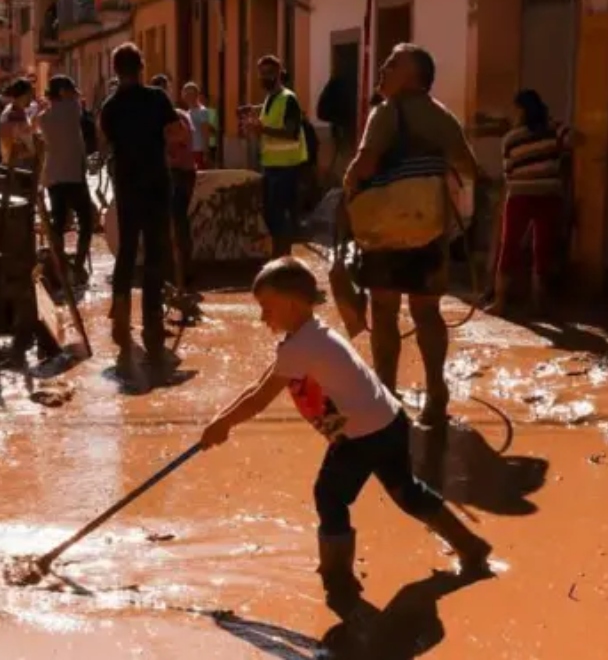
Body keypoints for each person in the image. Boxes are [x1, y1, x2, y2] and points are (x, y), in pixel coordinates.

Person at [200, 257, 492, 604]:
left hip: (361, 435)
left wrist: (223, 424)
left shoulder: (301, 347)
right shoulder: (310, 334)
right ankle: (470, 546)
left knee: (330, 495)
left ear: (292, 304)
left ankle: (338, 578)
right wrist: (221, 421)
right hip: (388, 419)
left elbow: (260, 400)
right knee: (406, 491)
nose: (263, 318)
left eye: (267, 307)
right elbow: (258, 386)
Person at [344, 44, 480, 428]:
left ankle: (385, 395)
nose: (383, 69)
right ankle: (436, 396)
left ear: (414, 75)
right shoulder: (442, 116)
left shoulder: (386, 112)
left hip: (385, 231)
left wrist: (348, 187)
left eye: (392, 64)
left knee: (384, 311)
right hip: (430, 228)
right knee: (427, 311)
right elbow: (468, 169)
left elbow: (366, 164)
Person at [101, 44, 181, 359]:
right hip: (156, 184)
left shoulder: (110, 105)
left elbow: (106, 141)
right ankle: (152, 322)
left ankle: (121, 318)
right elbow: (175, 134)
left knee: (127, 250)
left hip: (126, 184)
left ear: (115, 70)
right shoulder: (157, 98)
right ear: (141, 67)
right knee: (155, 252)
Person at [489, 89, 565, 315]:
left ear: (521, 110)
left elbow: (508, 172)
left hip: (520, 195)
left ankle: (500, 302)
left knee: (509, 246)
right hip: (549, 194)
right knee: (543, 248)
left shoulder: (510, 139)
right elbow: (575, 140)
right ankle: (540, 303)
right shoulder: (554, 129)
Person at [248, 56, 308, 258]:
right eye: (262, 73)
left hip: (287, 168)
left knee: (282, 219)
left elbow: (291, 132)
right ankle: (279, 259)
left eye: (269, 73)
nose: (265, 77)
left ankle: (283, 260)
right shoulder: (270, 99)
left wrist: (262, 128)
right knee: (272, 218)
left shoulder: (288, 99)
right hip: (271, 166)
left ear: (279, 73)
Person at [35, 75, 92, 280]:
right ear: (63, 92)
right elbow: (78, 99)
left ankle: (59, 266)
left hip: (53, 175)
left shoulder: (43, 116)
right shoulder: (72, 109)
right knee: (86, 220)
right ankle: (78, 265)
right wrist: (72, 94)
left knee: (58, 222)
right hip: (73, 174)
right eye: (70, 90)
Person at [153, 75, 197, 287]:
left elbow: (180, 138)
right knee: (167, 222)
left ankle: (182, 272)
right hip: (167, 174)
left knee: (178, 222)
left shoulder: (178, 116)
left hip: (181, 173)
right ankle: (171, 271)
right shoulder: (155, 119)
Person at [0, 78, 38, 170]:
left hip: (13, 164)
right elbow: (24, 147)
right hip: (19, 169)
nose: (32, 97)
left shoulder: (11, 110)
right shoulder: (15, 114)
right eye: (30, 94)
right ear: (24, 95)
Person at [182, 82, 213, 170]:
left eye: (190, 93)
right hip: (190, 150)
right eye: (186, 93)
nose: (187, 95)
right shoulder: (188, 111)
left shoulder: (202, 111)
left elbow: (205, 132)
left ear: (196, 95)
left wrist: (206, 152)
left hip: (199, 150)